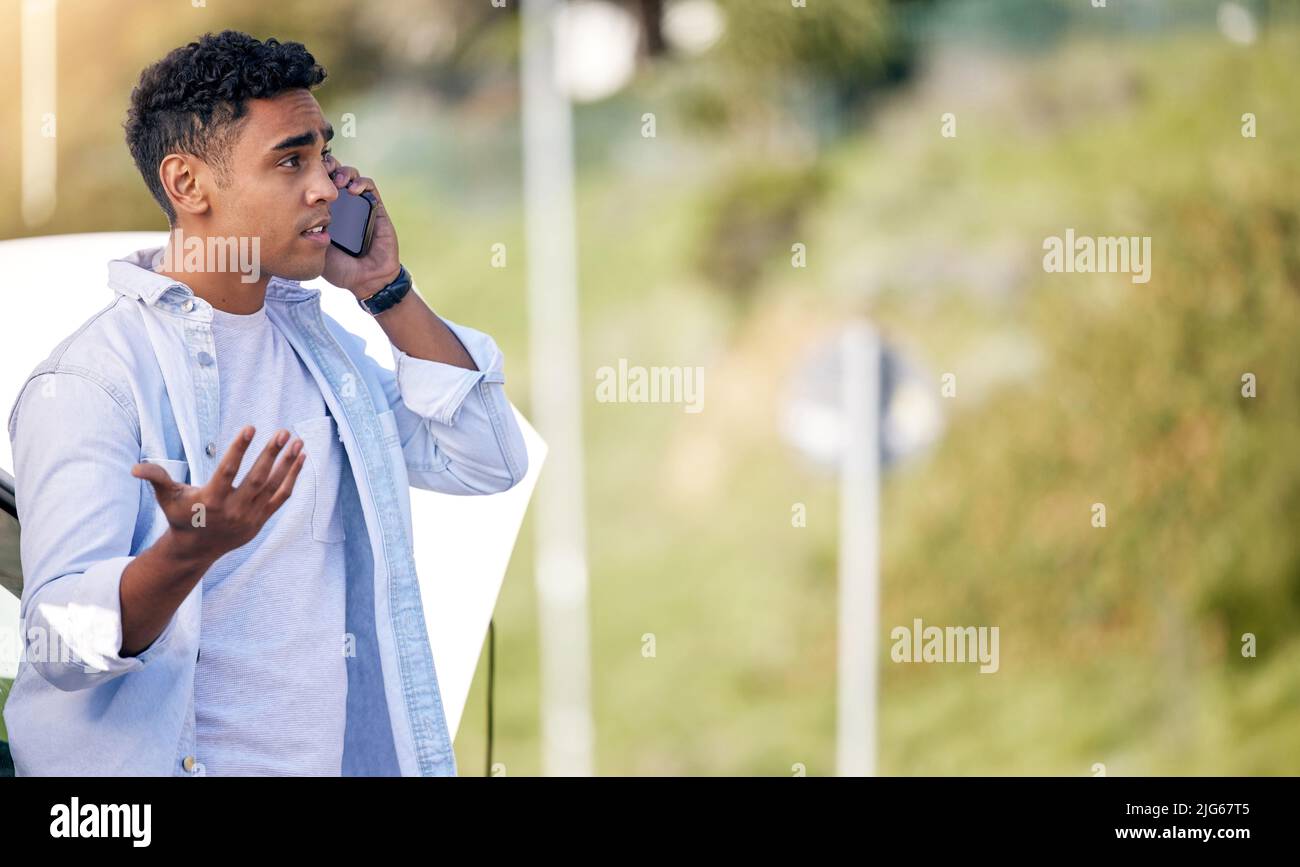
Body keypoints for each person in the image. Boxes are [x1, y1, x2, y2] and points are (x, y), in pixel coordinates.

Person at [2, 30, 528, 776]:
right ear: (188, 185)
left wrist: (385, 287)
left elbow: (487, 458)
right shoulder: (91, 382)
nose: (327, 188)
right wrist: (188, 552)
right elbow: (60, 643)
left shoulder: (326, 358)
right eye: (290, 160)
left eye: (323, 154)